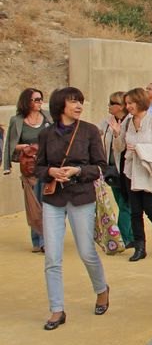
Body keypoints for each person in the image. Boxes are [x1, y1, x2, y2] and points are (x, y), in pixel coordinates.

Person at [35, 87, 110, 330]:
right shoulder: (46, 134)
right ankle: (56, 309)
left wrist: (77, 171)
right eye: (73, 101)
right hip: (53, 198)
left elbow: (100, 167)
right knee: (52, 257)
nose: (78, 105)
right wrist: (50, 172)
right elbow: (38, 167)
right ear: (60, 105)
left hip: (81, 196)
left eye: (80, 101)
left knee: (86, 251)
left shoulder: (89, 131)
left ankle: (101, 289)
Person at [112, 88, 152, 262]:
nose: (128, 107)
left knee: (150, 208)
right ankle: (140, 247)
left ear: (140, 102)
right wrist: (116, 133)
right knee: (135, 211)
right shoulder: (127, 122)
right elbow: (119, 148)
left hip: (148, 171)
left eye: (130, 103)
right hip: (131, 171)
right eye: (126, 103)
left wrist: (142, 150)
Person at [3, 88, 52, 252]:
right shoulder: (17, 121)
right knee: (34, 204)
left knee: (46, 203)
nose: (39, 102)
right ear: (27, 102)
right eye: (36, 99)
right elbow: (10, 145)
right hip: (29, 168)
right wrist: (22, 148)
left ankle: (45, 240)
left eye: (40, 99)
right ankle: (37, 240)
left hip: (47, 167)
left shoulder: (48, 118)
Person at [98, 91, 134, 249]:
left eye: (113, 103)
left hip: (127, 168)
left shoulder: (131, 122)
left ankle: (123, 237)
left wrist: (118, 133)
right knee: (121, 202)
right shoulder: (106, 122)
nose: (109, 106)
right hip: (111, 168)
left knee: (126, 203)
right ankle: (130, 235)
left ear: (121, 106)